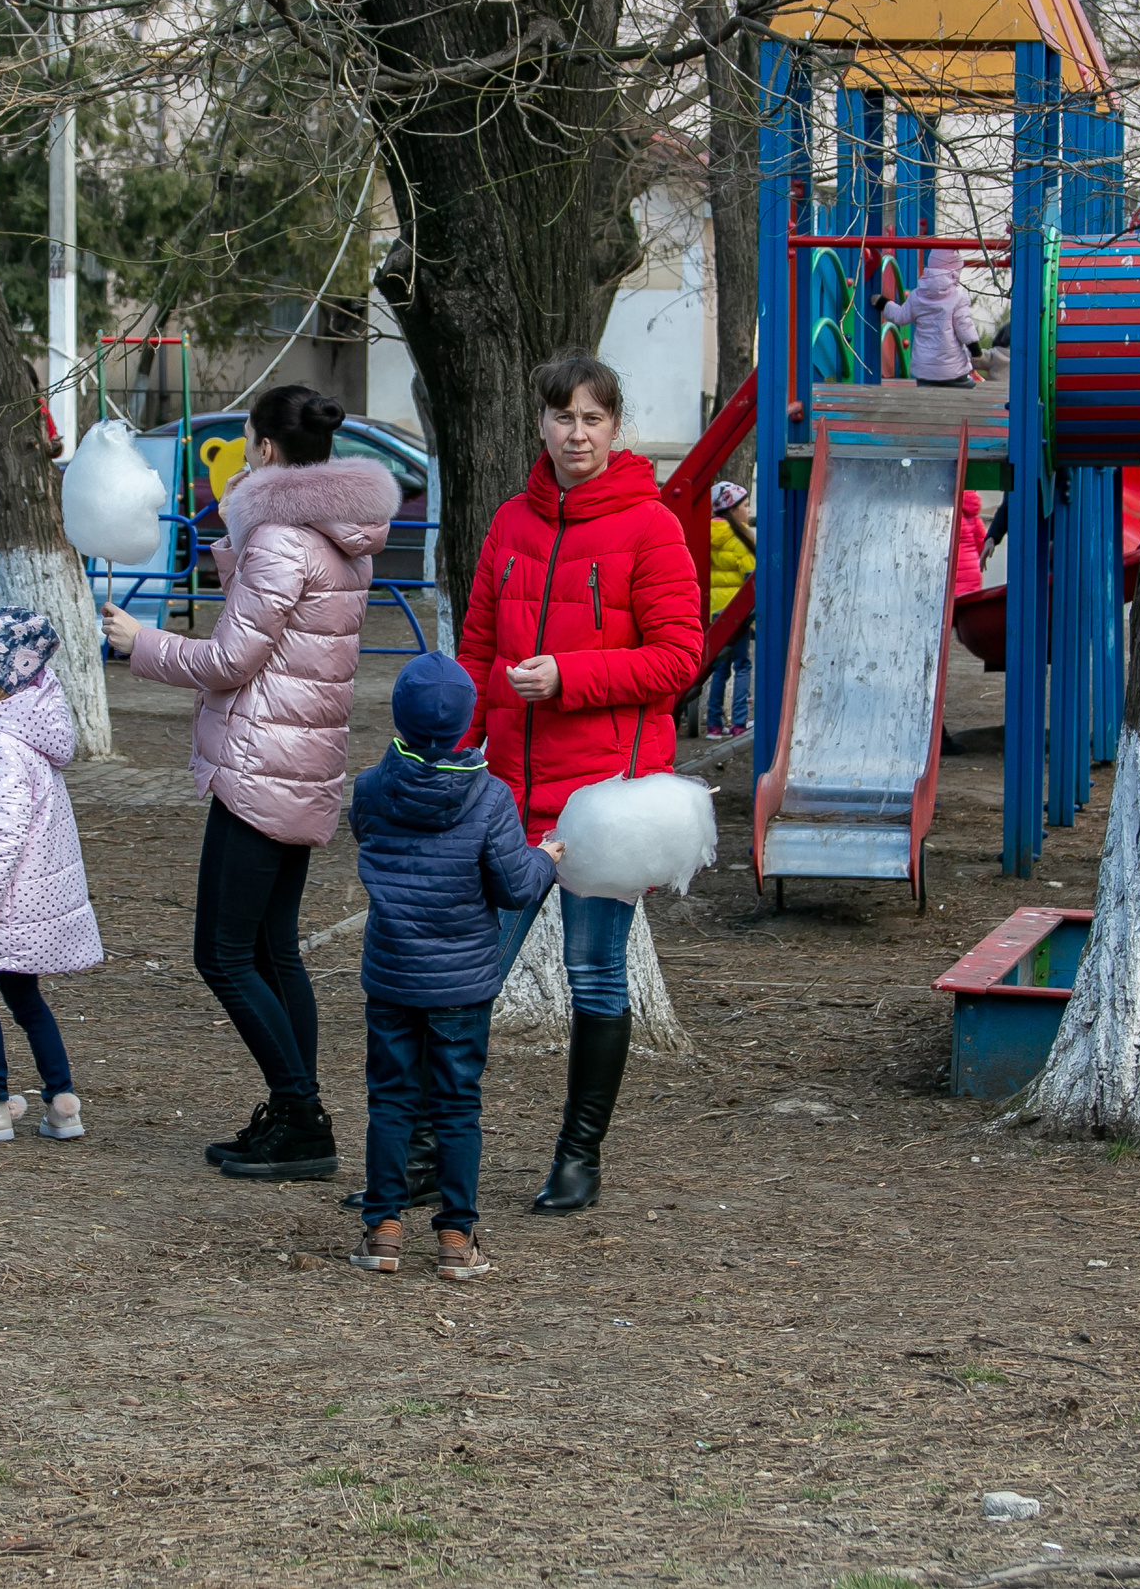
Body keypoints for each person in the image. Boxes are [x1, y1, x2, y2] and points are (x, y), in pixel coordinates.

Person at [99, 383, 400, 1181]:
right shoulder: (338, 537)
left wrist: (141, 641)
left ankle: (301, 1111)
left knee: (224, 954)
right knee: (274, 950)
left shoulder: (281, 542)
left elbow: (229, 660)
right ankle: (295, 1113)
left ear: (264, 450)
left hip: (260, 767)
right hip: (301, 765)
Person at [457, 350, 702, 1216]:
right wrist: (457, 758)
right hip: (513, 798)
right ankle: (426, 1148)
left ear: (615, 427)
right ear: (542, 425)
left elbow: (679, 658)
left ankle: (577, 1157)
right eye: (563, 417)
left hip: (607, 799)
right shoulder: (509, 525)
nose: (577, 433)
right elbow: (479, 652)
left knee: (595, 976)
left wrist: (569, 676)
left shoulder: (652, 526)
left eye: (593, 418)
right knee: (465, 978)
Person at [347, 653, 562, 1282]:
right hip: (462, 983)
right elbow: (515, 887)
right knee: (456, 1105)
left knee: (390, 1100)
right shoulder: (491, 797)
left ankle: (383, 1228)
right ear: (469, 719)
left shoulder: (370, 788)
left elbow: (370, 839)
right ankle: (456, 1238)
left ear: (399, 717)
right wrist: (546, 855)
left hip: (391, 971)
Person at [0, 610, 103, 1146]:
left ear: (3, 677)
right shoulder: (17, 731)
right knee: (24, 996)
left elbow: (4, 836)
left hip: (7, 902)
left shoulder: (3, 745)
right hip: (29, 898)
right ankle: (61, 1100)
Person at [872, 249, 983, 389]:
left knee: (927, 394)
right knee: (970, 389)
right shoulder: (958, 295)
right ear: (955, 271)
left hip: (924, 370)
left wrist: (884, 303)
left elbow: (900, 316)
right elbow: (964, 325)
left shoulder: (916, 295)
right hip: (952, 369)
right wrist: (975, 348)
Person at [704, 481, 756, 738]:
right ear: (732, 509)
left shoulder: (706, 535)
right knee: (743, 665)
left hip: (714, 611)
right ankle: (738, 722)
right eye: (745, 505)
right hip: (737, 611)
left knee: (719, 668)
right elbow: (750, 575)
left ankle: (713, 724)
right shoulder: (739, 538)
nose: (748, 510)